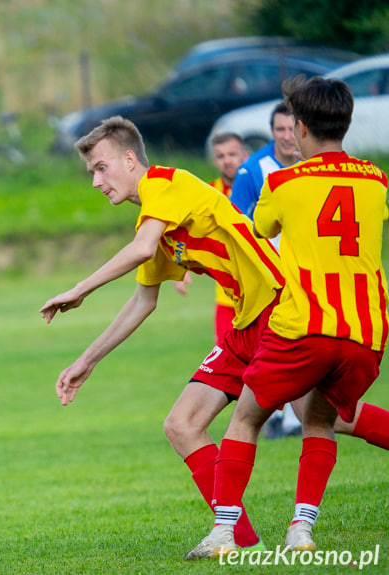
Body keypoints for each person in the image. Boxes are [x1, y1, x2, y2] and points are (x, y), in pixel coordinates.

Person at [39, 114, 389, 554]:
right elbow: (143, 302)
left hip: (279, 311)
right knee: (184, 424)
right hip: (247, 323)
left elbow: (142, 250)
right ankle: (238, 539)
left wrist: (79, 289)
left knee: (323, 416)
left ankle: (233, 535)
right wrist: (85, 360)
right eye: (91, 172)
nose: (95, 181)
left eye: (101, 168)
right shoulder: (155, 222)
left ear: (130, 160)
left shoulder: (168, 183)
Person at [186, 76, 389, 559]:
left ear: (298, 127)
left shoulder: (282, 181)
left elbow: (260, 230)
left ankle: (223, 532)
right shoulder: (376, 179)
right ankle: (301, 529)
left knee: (245, 418)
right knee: (319, 421)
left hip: (305, 326)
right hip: (365, 331)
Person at [231, 105, 302, 439]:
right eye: (279, 131)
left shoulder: (311, 164)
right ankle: (277, 414)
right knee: (276, 344)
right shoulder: (253, 170)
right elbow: (236, 225)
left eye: (291, 129)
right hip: (270, 276)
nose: (287, 138)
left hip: (306, 270)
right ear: (271, 131)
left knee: (301, 342)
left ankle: (289, 416)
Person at [207, 132, 248, 343]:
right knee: (224, 359)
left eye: (232, 154)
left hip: (259, 293)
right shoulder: (209, 193)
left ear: (245, 155)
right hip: (226, 296)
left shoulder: (260, 187)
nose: (227, 160)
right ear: (215, 161)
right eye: (221, 156)